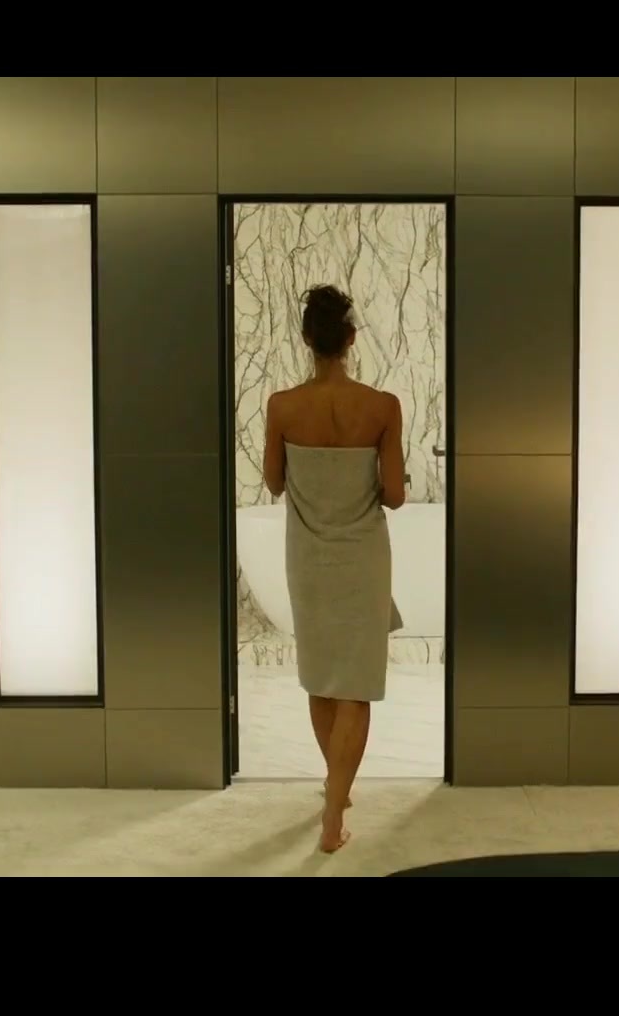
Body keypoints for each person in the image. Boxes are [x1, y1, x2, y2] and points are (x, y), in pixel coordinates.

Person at [263, 283, 406, 854]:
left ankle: (335, 794)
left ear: (307, 339)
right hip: (363, 560)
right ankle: (333, 810)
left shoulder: (282, 406)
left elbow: (274, 482)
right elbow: (394, 496)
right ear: (350, 339)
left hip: (308, 558)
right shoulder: (382, 407)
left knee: (322, 678)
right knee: (356, 688)